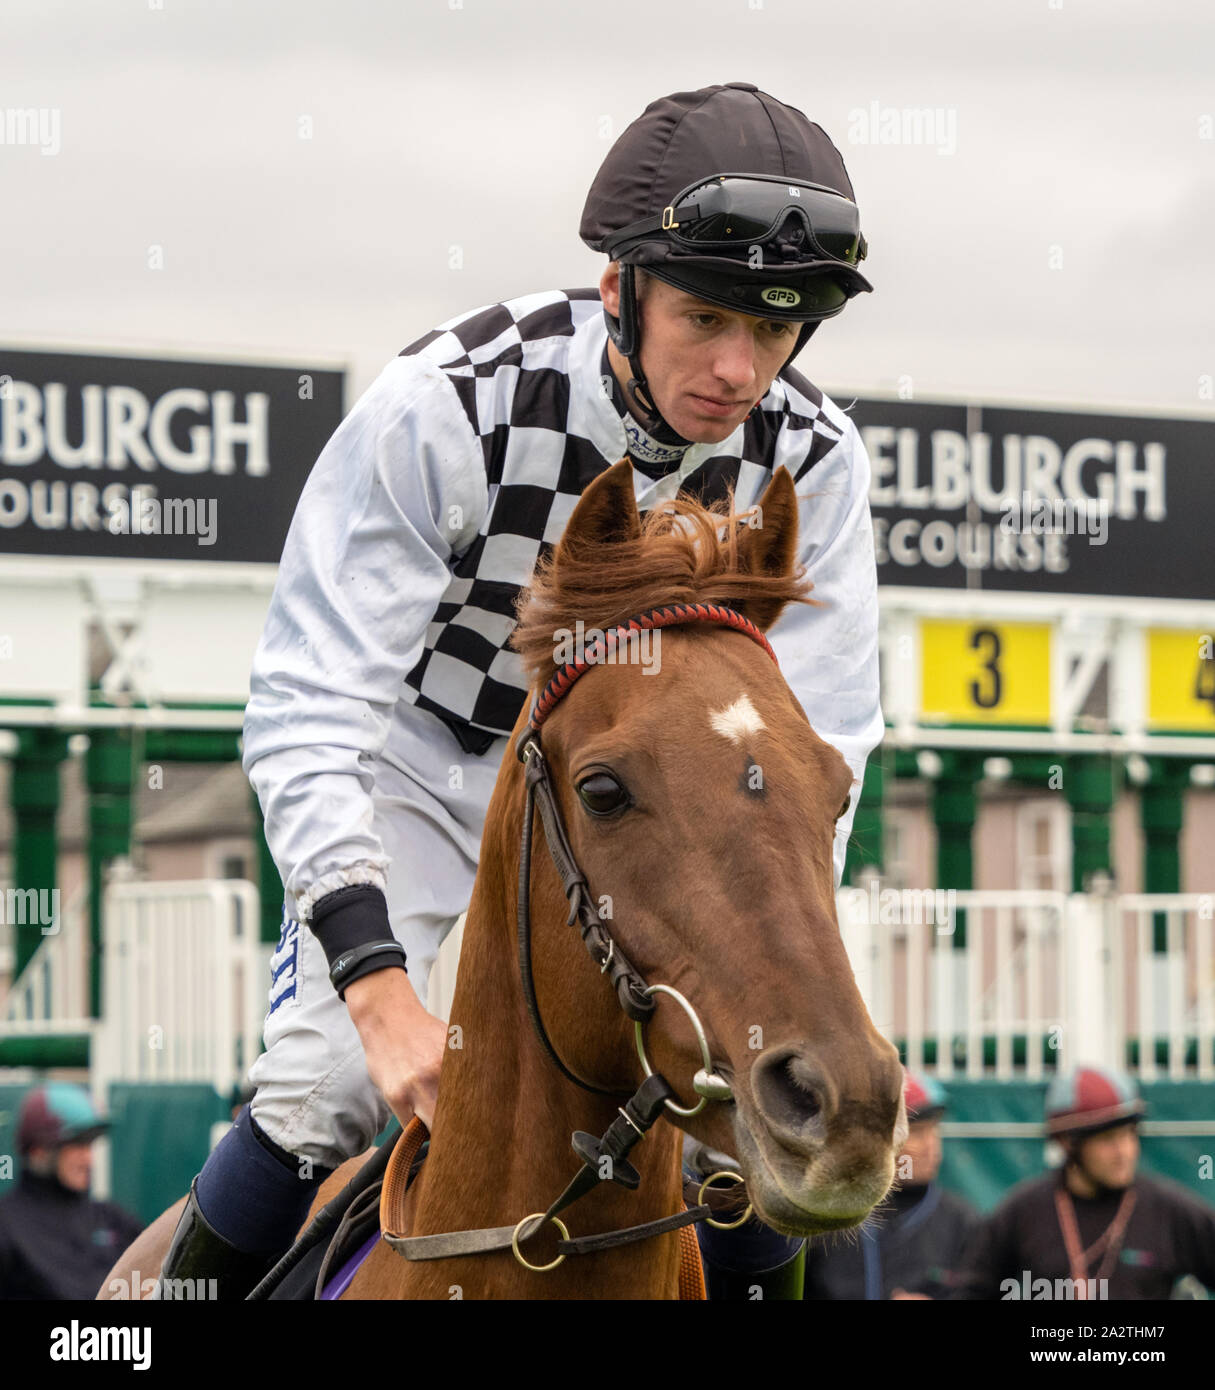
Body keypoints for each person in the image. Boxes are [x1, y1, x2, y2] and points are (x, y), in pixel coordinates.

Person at [159, 80, 885, 1298]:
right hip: (425, 773)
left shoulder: (818, 456)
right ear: (620, 287)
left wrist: (770, 954)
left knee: (771, 1123)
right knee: (324, 1090)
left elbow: (826, 747)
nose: (740, 370)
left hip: (656, 823)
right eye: (706, 318)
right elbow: (307, 711)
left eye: (777, 330)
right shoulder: (448, 405)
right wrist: (379, 989)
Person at [951, 1064, 1215, 1299]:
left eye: (1129, 1134)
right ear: (1068, 1143)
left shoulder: (1169, 1210)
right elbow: (970, 1291)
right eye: (1108, 1139)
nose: (1125, 1151)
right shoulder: (1023, 1212)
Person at [803, 1070, 979, 1299]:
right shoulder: (825, 1223)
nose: (931, 1146)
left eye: (935, 1130)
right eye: (916, 1132)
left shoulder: (962, 1221)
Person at [0, 1083, 143, 1300]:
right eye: (77, 1144)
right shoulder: (7, 1225)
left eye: (91, 1144)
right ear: (38, 1151)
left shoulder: (111, 1219)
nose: (89, 1159)